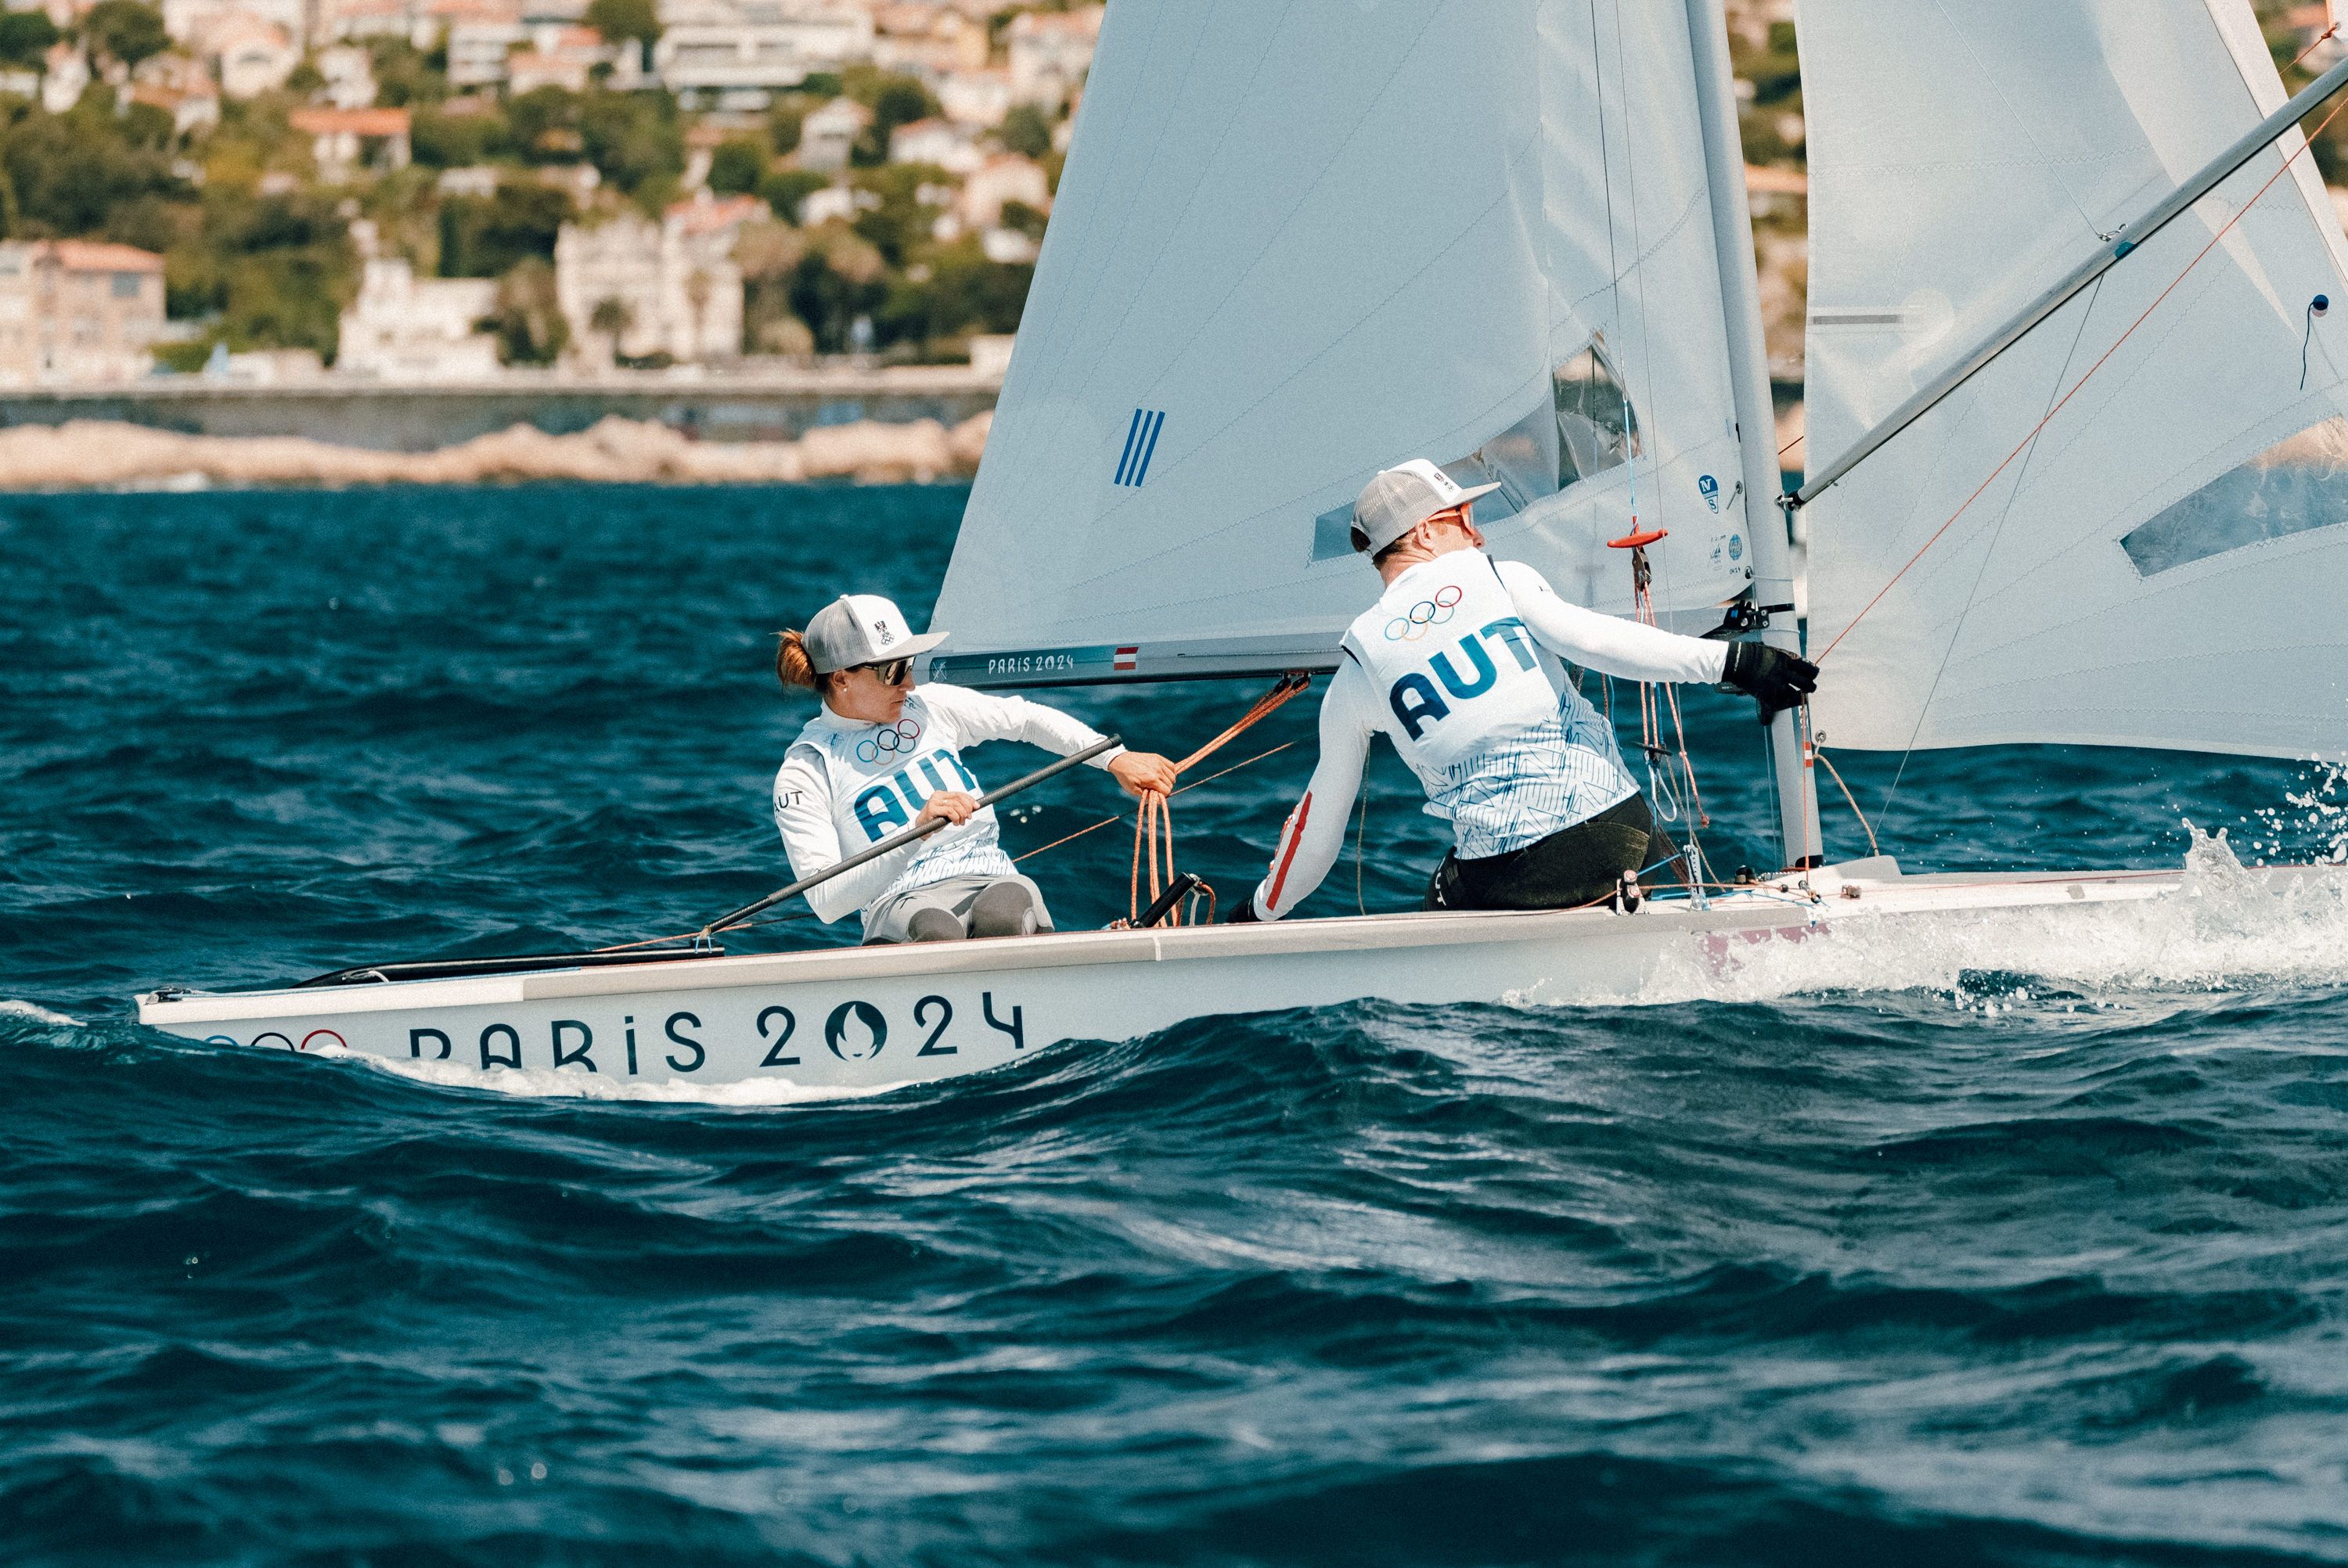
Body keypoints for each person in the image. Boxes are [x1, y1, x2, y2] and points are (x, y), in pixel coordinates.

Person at [1229, 460, 1818, 922]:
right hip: (1620, 833)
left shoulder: (1357, 675)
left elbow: (1317, 830)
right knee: (1620, 822)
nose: (1478, 533)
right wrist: (1739, 662)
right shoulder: (1502, 580)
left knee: (1440, 901)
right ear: (1426, 532)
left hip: (1514, 875)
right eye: (1464, 518)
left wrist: (1255, 913)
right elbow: (1598, 643)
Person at [773, 592, 1178, 943]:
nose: (909, 684)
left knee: (1004, 911)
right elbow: (826, 902)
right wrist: (915, 834)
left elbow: (1025, 720)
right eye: (894, 671)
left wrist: (1113, 758)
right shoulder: (807, 768)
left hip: (988, 875)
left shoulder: (933, 706)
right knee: (934, 930)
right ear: (843, 678)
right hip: (900, 899)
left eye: (910, 664)